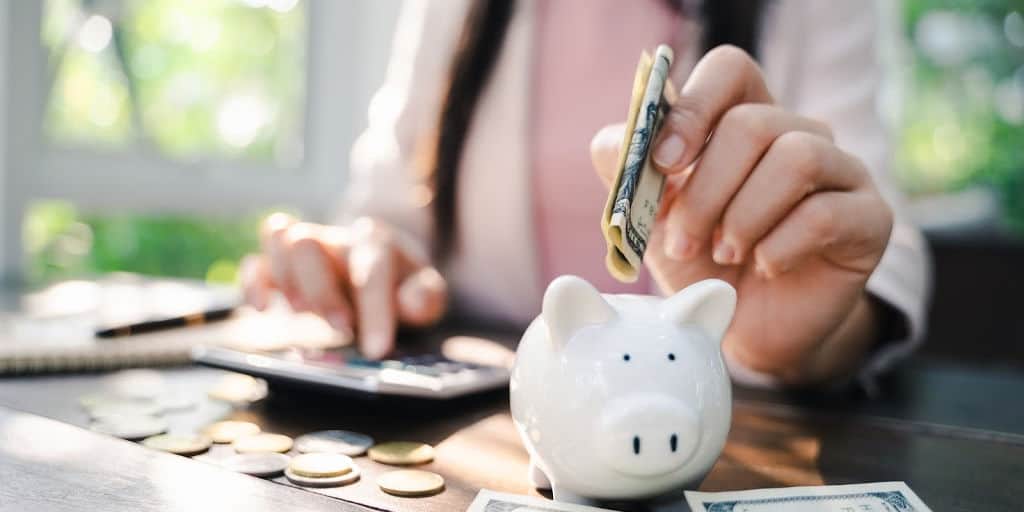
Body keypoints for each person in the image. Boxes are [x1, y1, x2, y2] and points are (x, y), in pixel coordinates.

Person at [241, 0, 931, 389]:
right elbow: (390, 201)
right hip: (484, 420)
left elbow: (876, 238)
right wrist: (369, 258)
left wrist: (803, 341)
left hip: (714, 415)